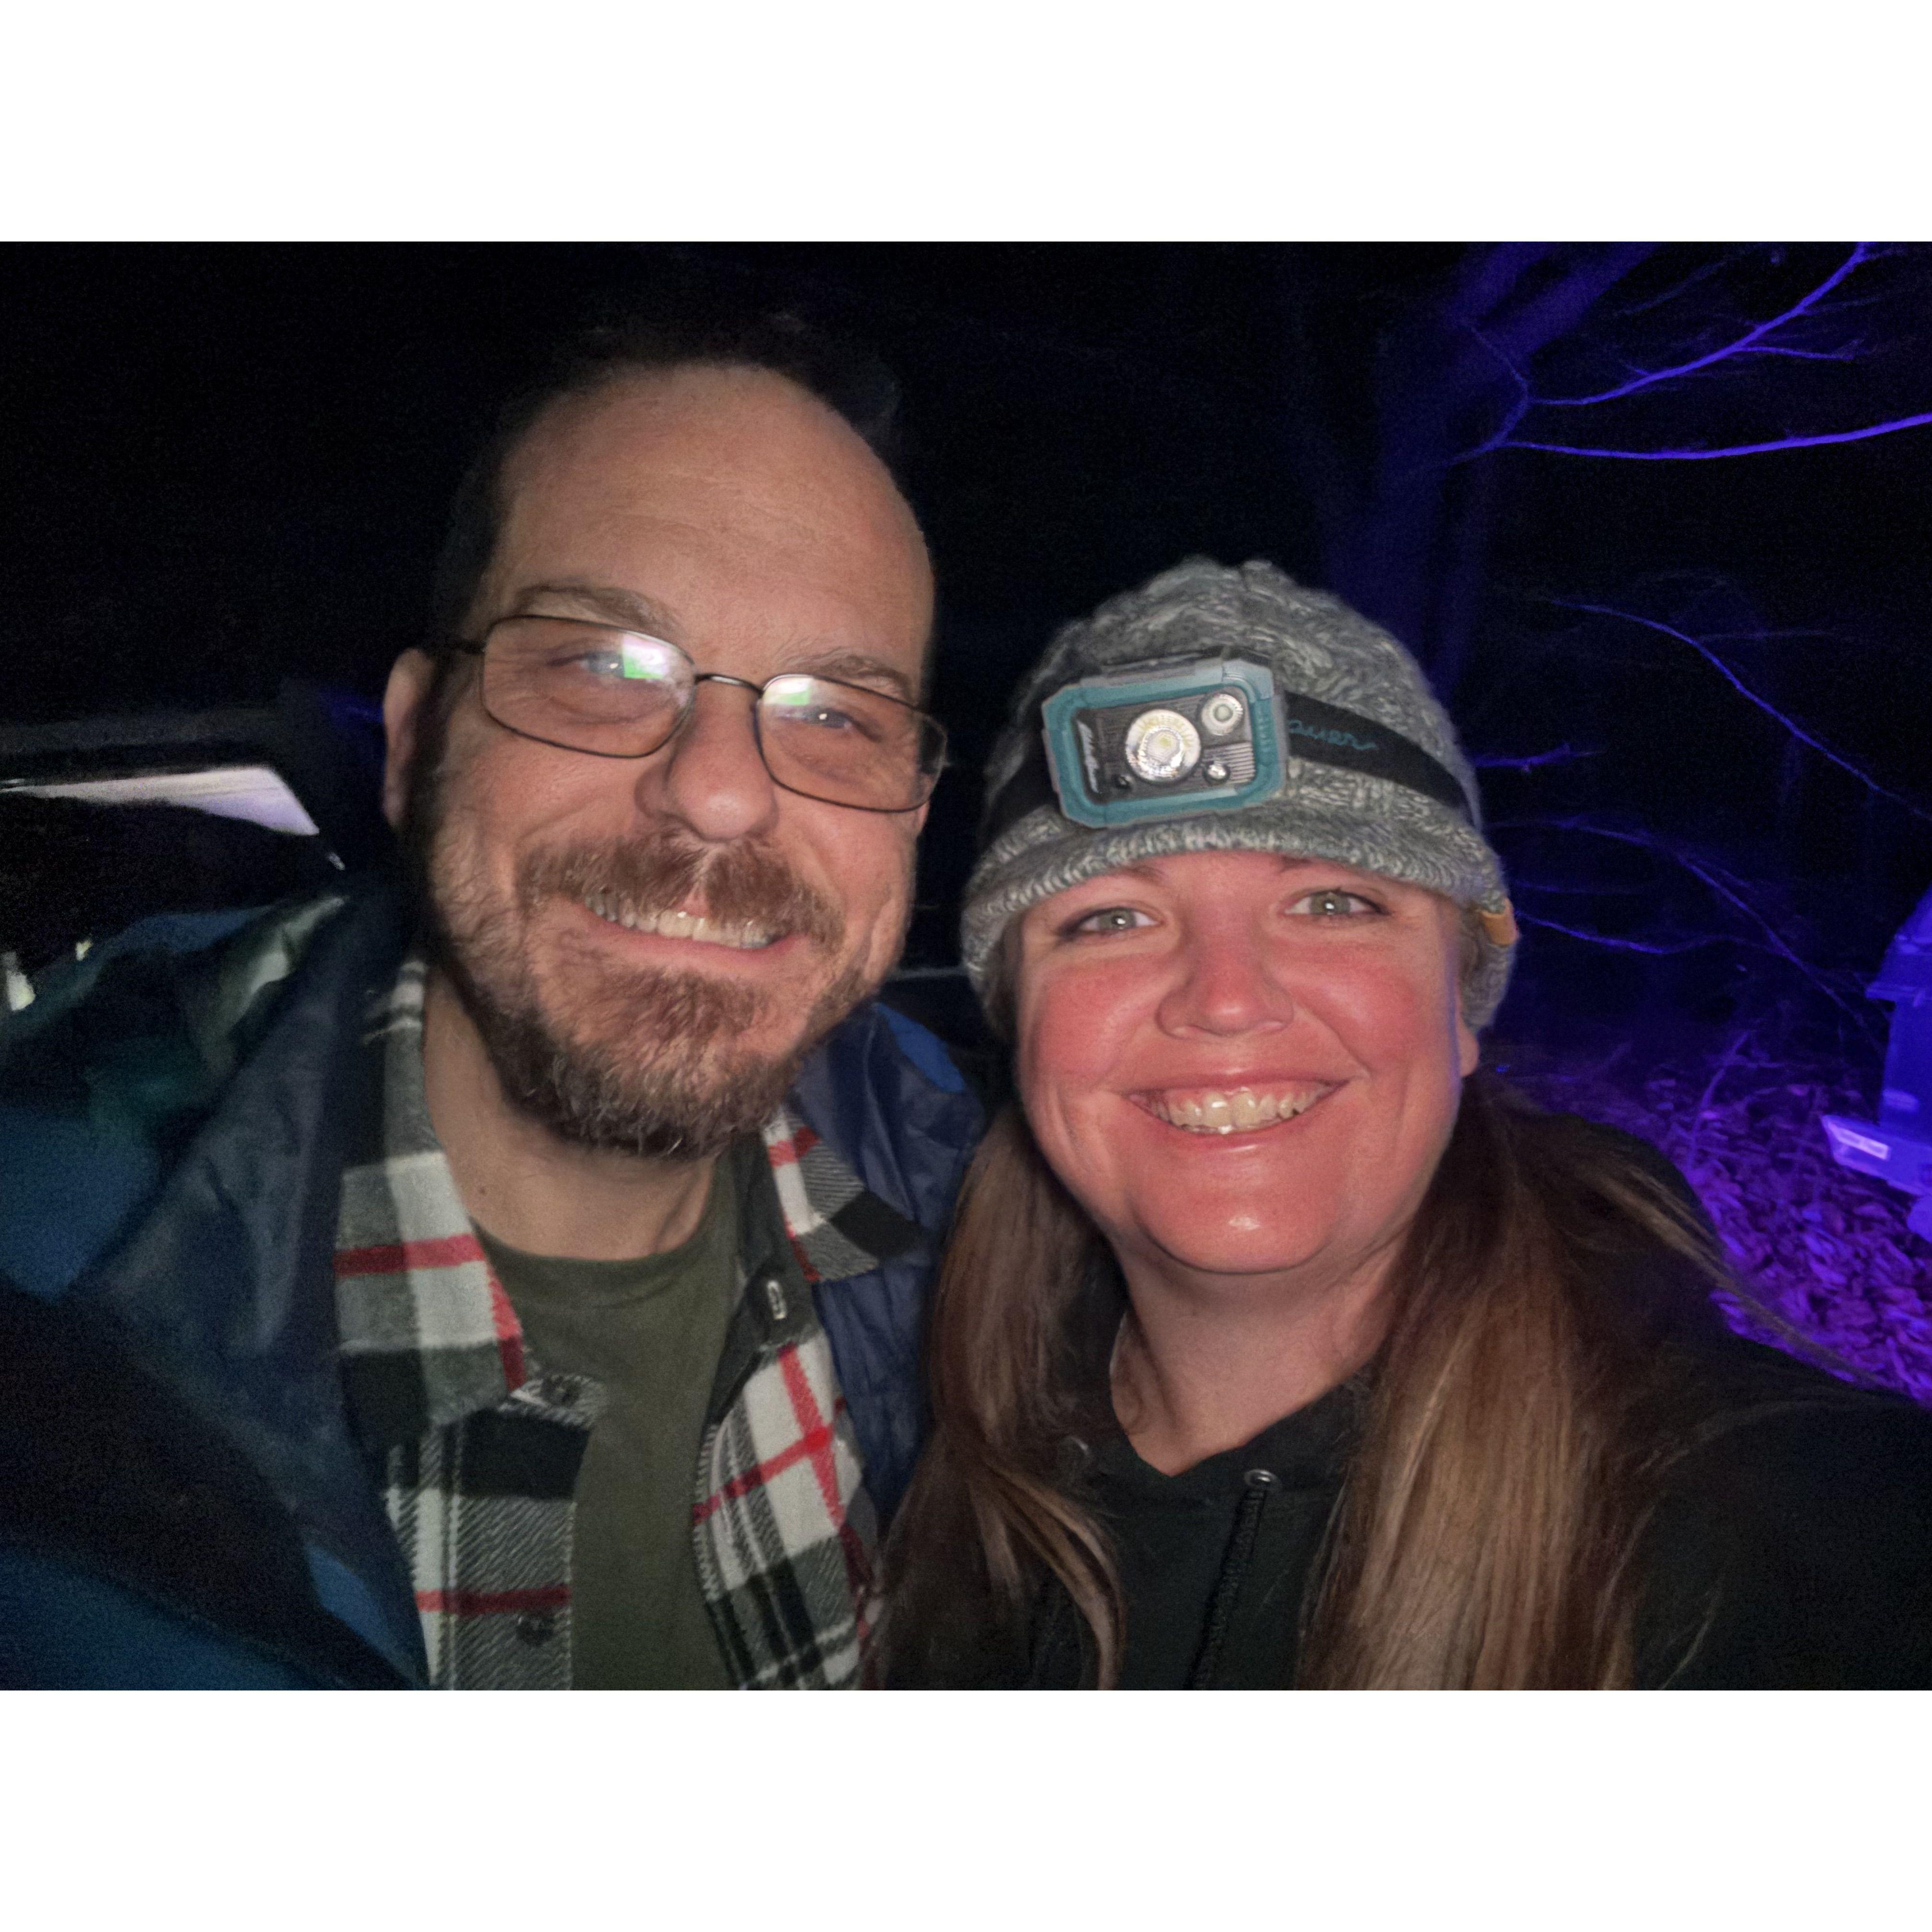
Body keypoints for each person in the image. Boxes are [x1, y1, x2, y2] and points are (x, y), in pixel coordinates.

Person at [0, 312, 982, 1689]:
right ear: (415, 745)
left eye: (836, 714)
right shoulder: (47, 1329)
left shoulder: (980, 1195)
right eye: (602, 665)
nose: (720, 791)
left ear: (914, 812)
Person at [876, 557, 1932, 1690]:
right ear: (1019, 1020)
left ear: (1460, 1004)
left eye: (1333, 901)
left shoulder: (1817, 1540)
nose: (1224, 998)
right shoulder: (909, 1455)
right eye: (1111, 917)